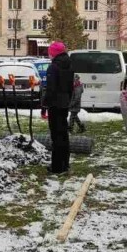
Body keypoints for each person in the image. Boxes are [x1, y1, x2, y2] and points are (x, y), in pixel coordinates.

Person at [42, 41, 74, 174]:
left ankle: (56, 167)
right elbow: (70, 86)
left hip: (55, 104)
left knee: (56, 136)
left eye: (50, 52)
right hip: (64, 103)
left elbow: (51, 89)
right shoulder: (69, 64)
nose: (49, 55)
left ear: (54, 53)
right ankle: (65, 164)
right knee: (64, 134)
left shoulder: (53, 67)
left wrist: (45, 104)